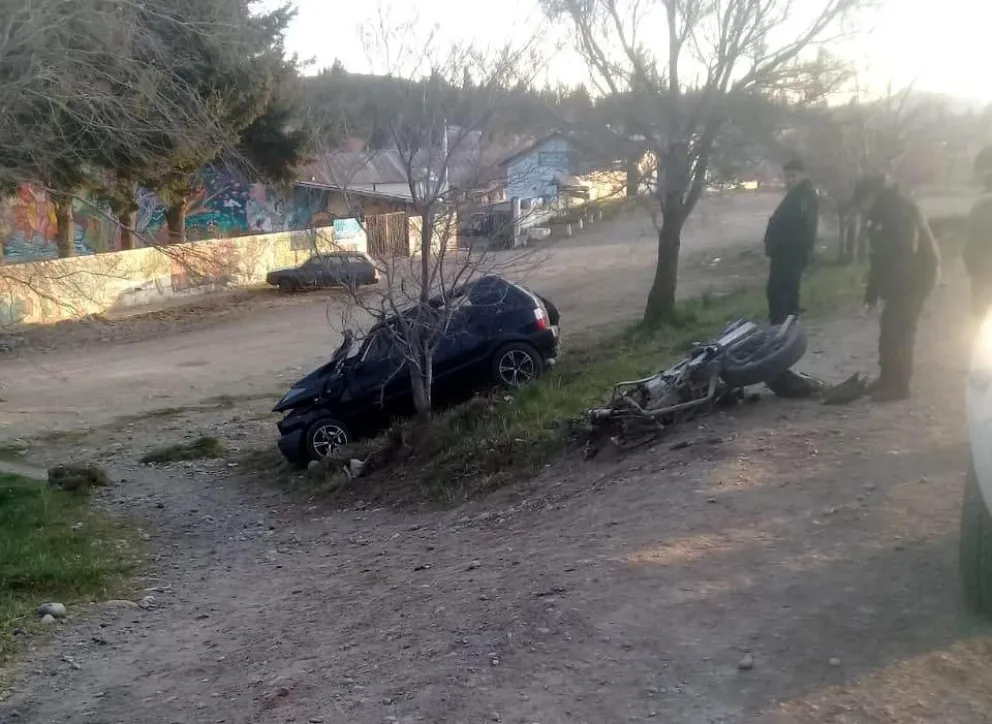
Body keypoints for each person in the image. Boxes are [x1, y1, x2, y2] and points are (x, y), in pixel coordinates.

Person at [853, 173, 941, 402]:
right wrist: (871, 295)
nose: (861, 208)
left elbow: (905, 252)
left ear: (871, 196)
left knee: (899, 329)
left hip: (916, 277)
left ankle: (899, 386)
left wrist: (894, 288)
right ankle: (887, 378)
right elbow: (878, 259)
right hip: (901, 278)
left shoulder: (900, 210)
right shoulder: (879, 216)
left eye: (862, 201)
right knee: (888, 327)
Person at [764, 159, 819, 325]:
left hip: (791, 252)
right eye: (787, 177)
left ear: (803, 175)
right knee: (782, 291)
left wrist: (779, 244)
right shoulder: (797, 194)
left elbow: (800, 225)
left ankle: (784, 327)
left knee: (782, 292)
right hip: (785, 252)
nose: (789, 180)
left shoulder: (804, 196)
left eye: (793, 176)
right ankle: (786, 324)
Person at [964, 146, 992, 318]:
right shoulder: (981, 204)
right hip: (982, 262)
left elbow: (972, 236)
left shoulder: (979, 204)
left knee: (980, 308)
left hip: (980, 264)